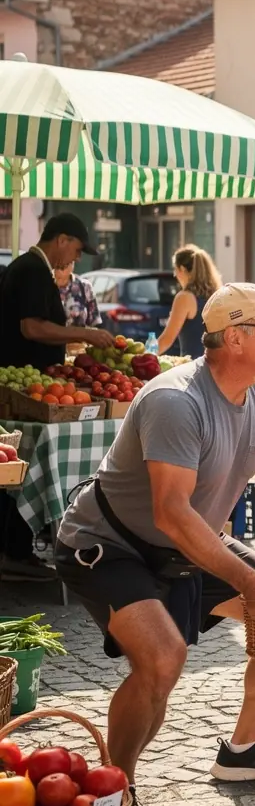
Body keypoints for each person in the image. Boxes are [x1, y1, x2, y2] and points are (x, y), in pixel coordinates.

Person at [54, 283, 255, 806]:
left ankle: (244, 750)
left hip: (188, 541)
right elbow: (172, 514)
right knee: (163, 657)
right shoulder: (176, 400)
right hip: (107, 544)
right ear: (237, 337)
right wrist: (249, 578)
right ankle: (114, 792)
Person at [0, 213, 114, 582]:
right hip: (27, 391)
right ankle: (15, 550)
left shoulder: (30, 267)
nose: (76, 259)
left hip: (33, 389)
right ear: (62, 239)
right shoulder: (33, 269)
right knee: (25, 468)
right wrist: (83, 333)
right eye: (77, 249)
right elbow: (31, 327)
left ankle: (15, 549)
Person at [156, 245, 223, 358]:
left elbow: (166, 339)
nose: (174, 274)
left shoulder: (184, 298)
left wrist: (142, 358)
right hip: (219, 366)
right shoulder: (218, 295)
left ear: (182, 269)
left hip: (194, 368)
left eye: (175, 269)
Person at [55, 261, 102, 328]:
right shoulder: (45, 286)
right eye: (56, 267)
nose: (58, 271)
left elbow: (94, 323)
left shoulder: (84, 286)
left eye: (62, 267)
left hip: (79, 337)